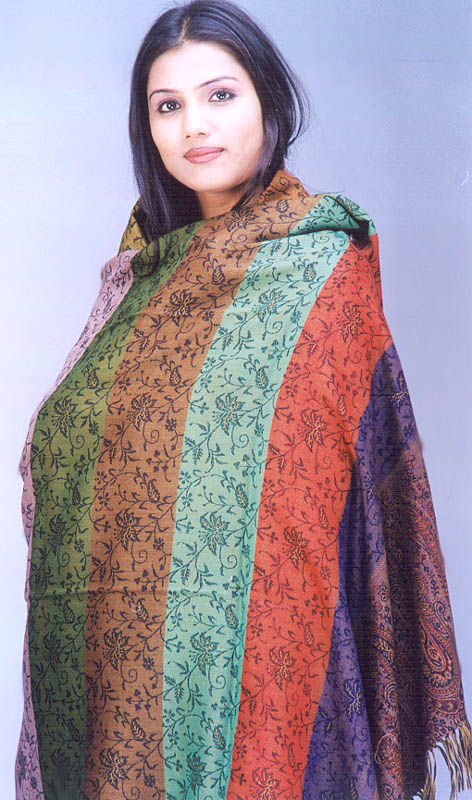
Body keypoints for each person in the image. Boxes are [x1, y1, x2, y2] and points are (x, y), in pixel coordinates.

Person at [15, 2, 471, 799]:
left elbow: (365, 488)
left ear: (268, 100)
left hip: (275, 663)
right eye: (167, 105)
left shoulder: (323, 272)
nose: (194, 124)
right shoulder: (134, 283)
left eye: (220, 95)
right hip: (118, 675)